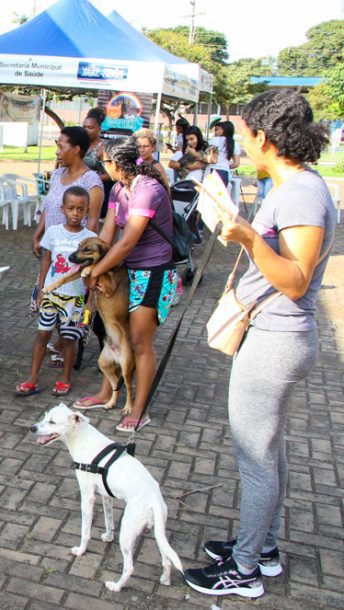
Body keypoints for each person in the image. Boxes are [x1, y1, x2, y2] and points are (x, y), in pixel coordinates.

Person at [184, 90, 334, 599]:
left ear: (264, 137)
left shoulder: (301, 193)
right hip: (271, 335)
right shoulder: (290, 187)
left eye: (244, 134)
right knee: (267, 452)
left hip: (277, 338)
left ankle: (244, 569)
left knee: (256, 456)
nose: (240, 143)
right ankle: (260, 548)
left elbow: (294, 280)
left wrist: (249, 238)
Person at [74, 137, 177, 433]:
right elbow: (107, 237)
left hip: (153, 273)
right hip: (125, 271)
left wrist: (96, 273)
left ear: (117, 164)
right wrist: (92, 265)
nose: (102, 169)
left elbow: (128, 241)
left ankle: (140, 408)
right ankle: (107, 392)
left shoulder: (149, 190)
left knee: (140, 342)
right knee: (113, 333)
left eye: (104, 163)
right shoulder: (118, 189)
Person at [17, 187, 96, 398]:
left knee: (68, 339)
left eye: (80, 209)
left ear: (87, 210)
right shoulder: (52, 232)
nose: (75, 213)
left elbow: (94, 270)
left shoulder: (90, 237)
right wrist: (41, 289)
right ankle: (33, 377)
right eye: (71, 208)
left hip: (75, 296)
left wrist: (90, 299)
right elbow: (46, 260)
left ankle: (65, 377)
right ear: (62, 209)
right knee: (43, 333)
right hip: (51, 294)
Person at [208, 120, 240, 185]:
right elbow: (236, 163)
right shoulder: (234, 144)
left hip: (212, 170)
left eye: (219, 129)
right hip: (224, 172)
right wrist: (225, 166)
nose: (217, 131)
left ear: (223, 130)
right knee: (220, 194)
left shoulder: (214, 140)